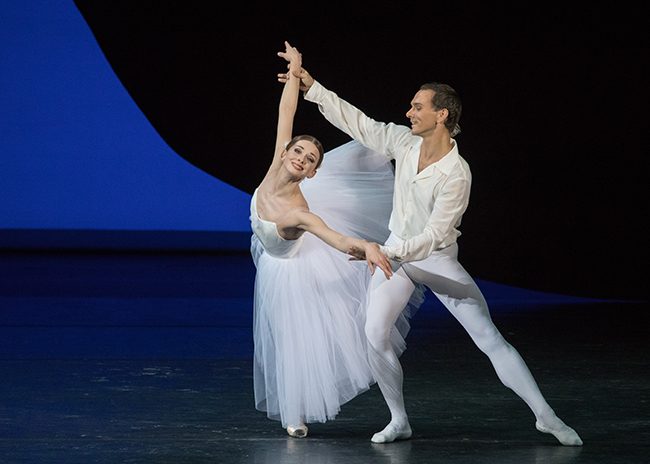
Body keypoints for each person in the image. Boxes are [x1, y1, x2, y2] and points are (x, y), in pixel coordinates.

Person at [279, 62, 583, 446]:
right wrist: (313, 87)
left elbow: (433, 235)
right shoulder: (405, 142)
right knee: (374, 333)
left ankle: (547, 417)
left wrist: (387, 251)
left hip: (435, 260)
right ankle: (399, 420)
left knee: (489, 338)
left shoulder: (457, 173)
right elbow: (361, 124)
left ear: (442, 114)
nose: (409, 113)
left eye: (417, 106)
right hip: (396, 261)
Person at [251, 42, 415, 438]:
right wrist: (295, 70)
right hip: (269, 249)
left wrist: (369, 248)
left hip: (292, 265)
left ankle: (295, 412)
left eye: (310, 161)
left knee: (296, 338)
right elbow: (286, 111)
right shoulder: (278, 158)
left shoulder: (300, 213)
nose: (301, 159)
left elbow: (337, 240)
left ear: (311, 175)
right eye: (299, 151)